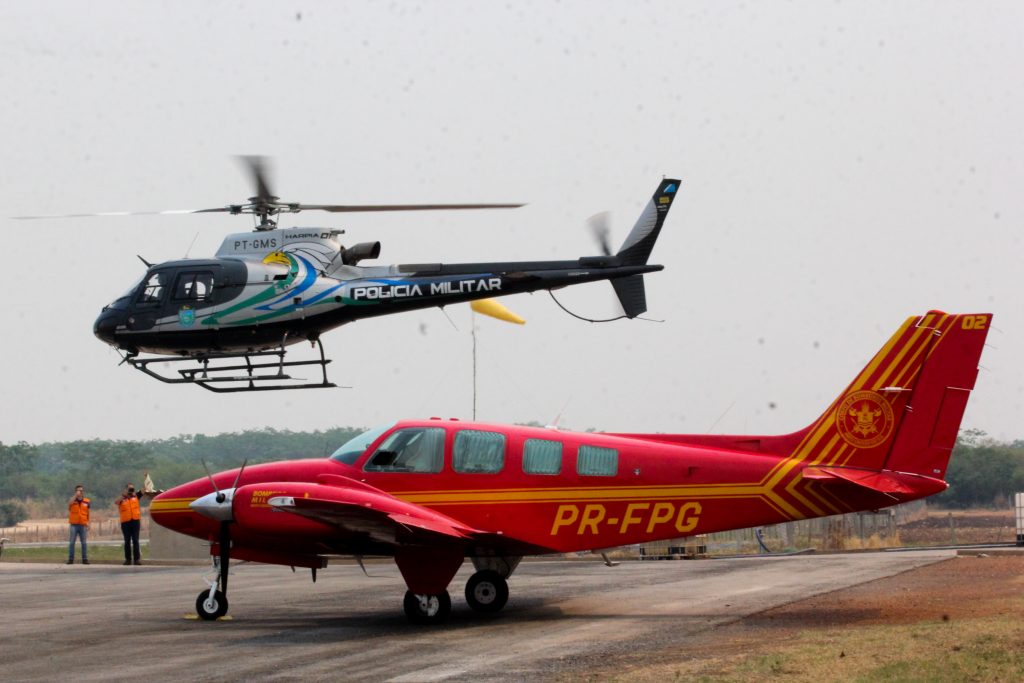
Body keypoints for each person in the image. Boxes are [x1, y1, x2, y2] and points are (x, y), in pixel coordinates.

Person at [116, 483, 142, 566]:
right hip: (125, 522)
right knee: (127, 541)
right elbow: (116, 502)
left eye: (132, 489)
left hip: (135, 520)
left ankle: (136, 559)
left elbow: (144, 490)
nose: (131, 490)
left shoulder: (136, 496)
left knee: (135, 540)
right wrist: (124, 495)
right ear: (126, 489)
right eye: (129, 489)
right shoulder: (122, 498)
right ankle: (128, 559)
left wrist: (146, 478)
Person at [67, 485, 91, 564]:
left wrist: (88, 523)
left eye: (81, 490)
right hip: (74, 524)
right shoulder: (73, 500)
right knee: (72, 542)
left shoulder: (87, 501)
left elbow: (88, 513)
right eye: (78, 490)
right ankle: (71, 559)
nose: (80, 492)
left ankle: (84, 559)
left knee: (84, 542)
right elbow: (69, 503)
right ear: (76, 491)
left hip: (83, 524)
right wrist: (75, 496)